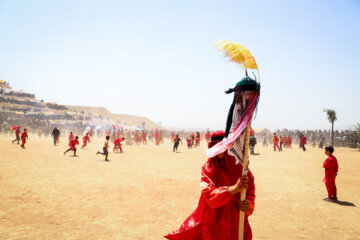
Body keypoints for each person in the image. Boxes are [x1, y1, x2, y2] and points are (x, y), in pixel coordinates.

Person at [165, 131, 255, 240]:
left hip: (237, 221)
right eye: (214, 144)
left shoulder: (240, 167)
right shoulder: (207, 169)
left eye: (221, 143)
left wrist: (248, 205)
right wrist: (233, 189)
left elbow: (250, 190)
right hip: (214, 223)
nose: (218, 147)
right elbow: (209, 195)